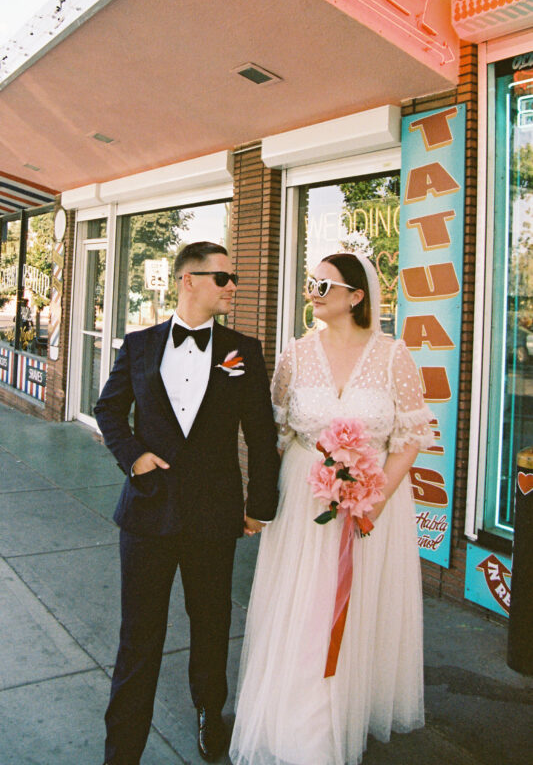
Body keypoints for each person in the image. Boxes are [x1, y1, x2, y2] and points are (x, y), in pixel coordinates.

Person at [230, 252, 434, 765]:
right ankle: (305, 728)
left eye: (322, 284)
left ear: (356, 296)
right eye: (309, 283)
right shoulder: (295, 355)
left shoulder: (394, 356)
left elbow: (412, 435)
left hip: (373, 505)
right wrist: (260, 502)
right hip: (304, 496)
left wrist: (374, 498)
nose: (310, 292)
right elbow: (274, 434)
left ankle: (346, 708)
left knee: (354, 608)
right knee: (304, 604)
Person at [95, 240, 281, 765]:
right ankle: (122, 745)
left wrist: (259, 504)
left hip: (214, 514)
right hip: (148, 512)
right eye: (222, 278)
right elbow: (108, 410)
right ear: (188, 281)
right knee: (139, 635)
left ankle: (209, 713)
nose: (231, 288)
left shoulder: (244, 349)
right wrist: (134, 457)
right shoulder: (139, 344)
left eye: (233, 278)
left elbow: (261, 434)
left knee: (211, 622)